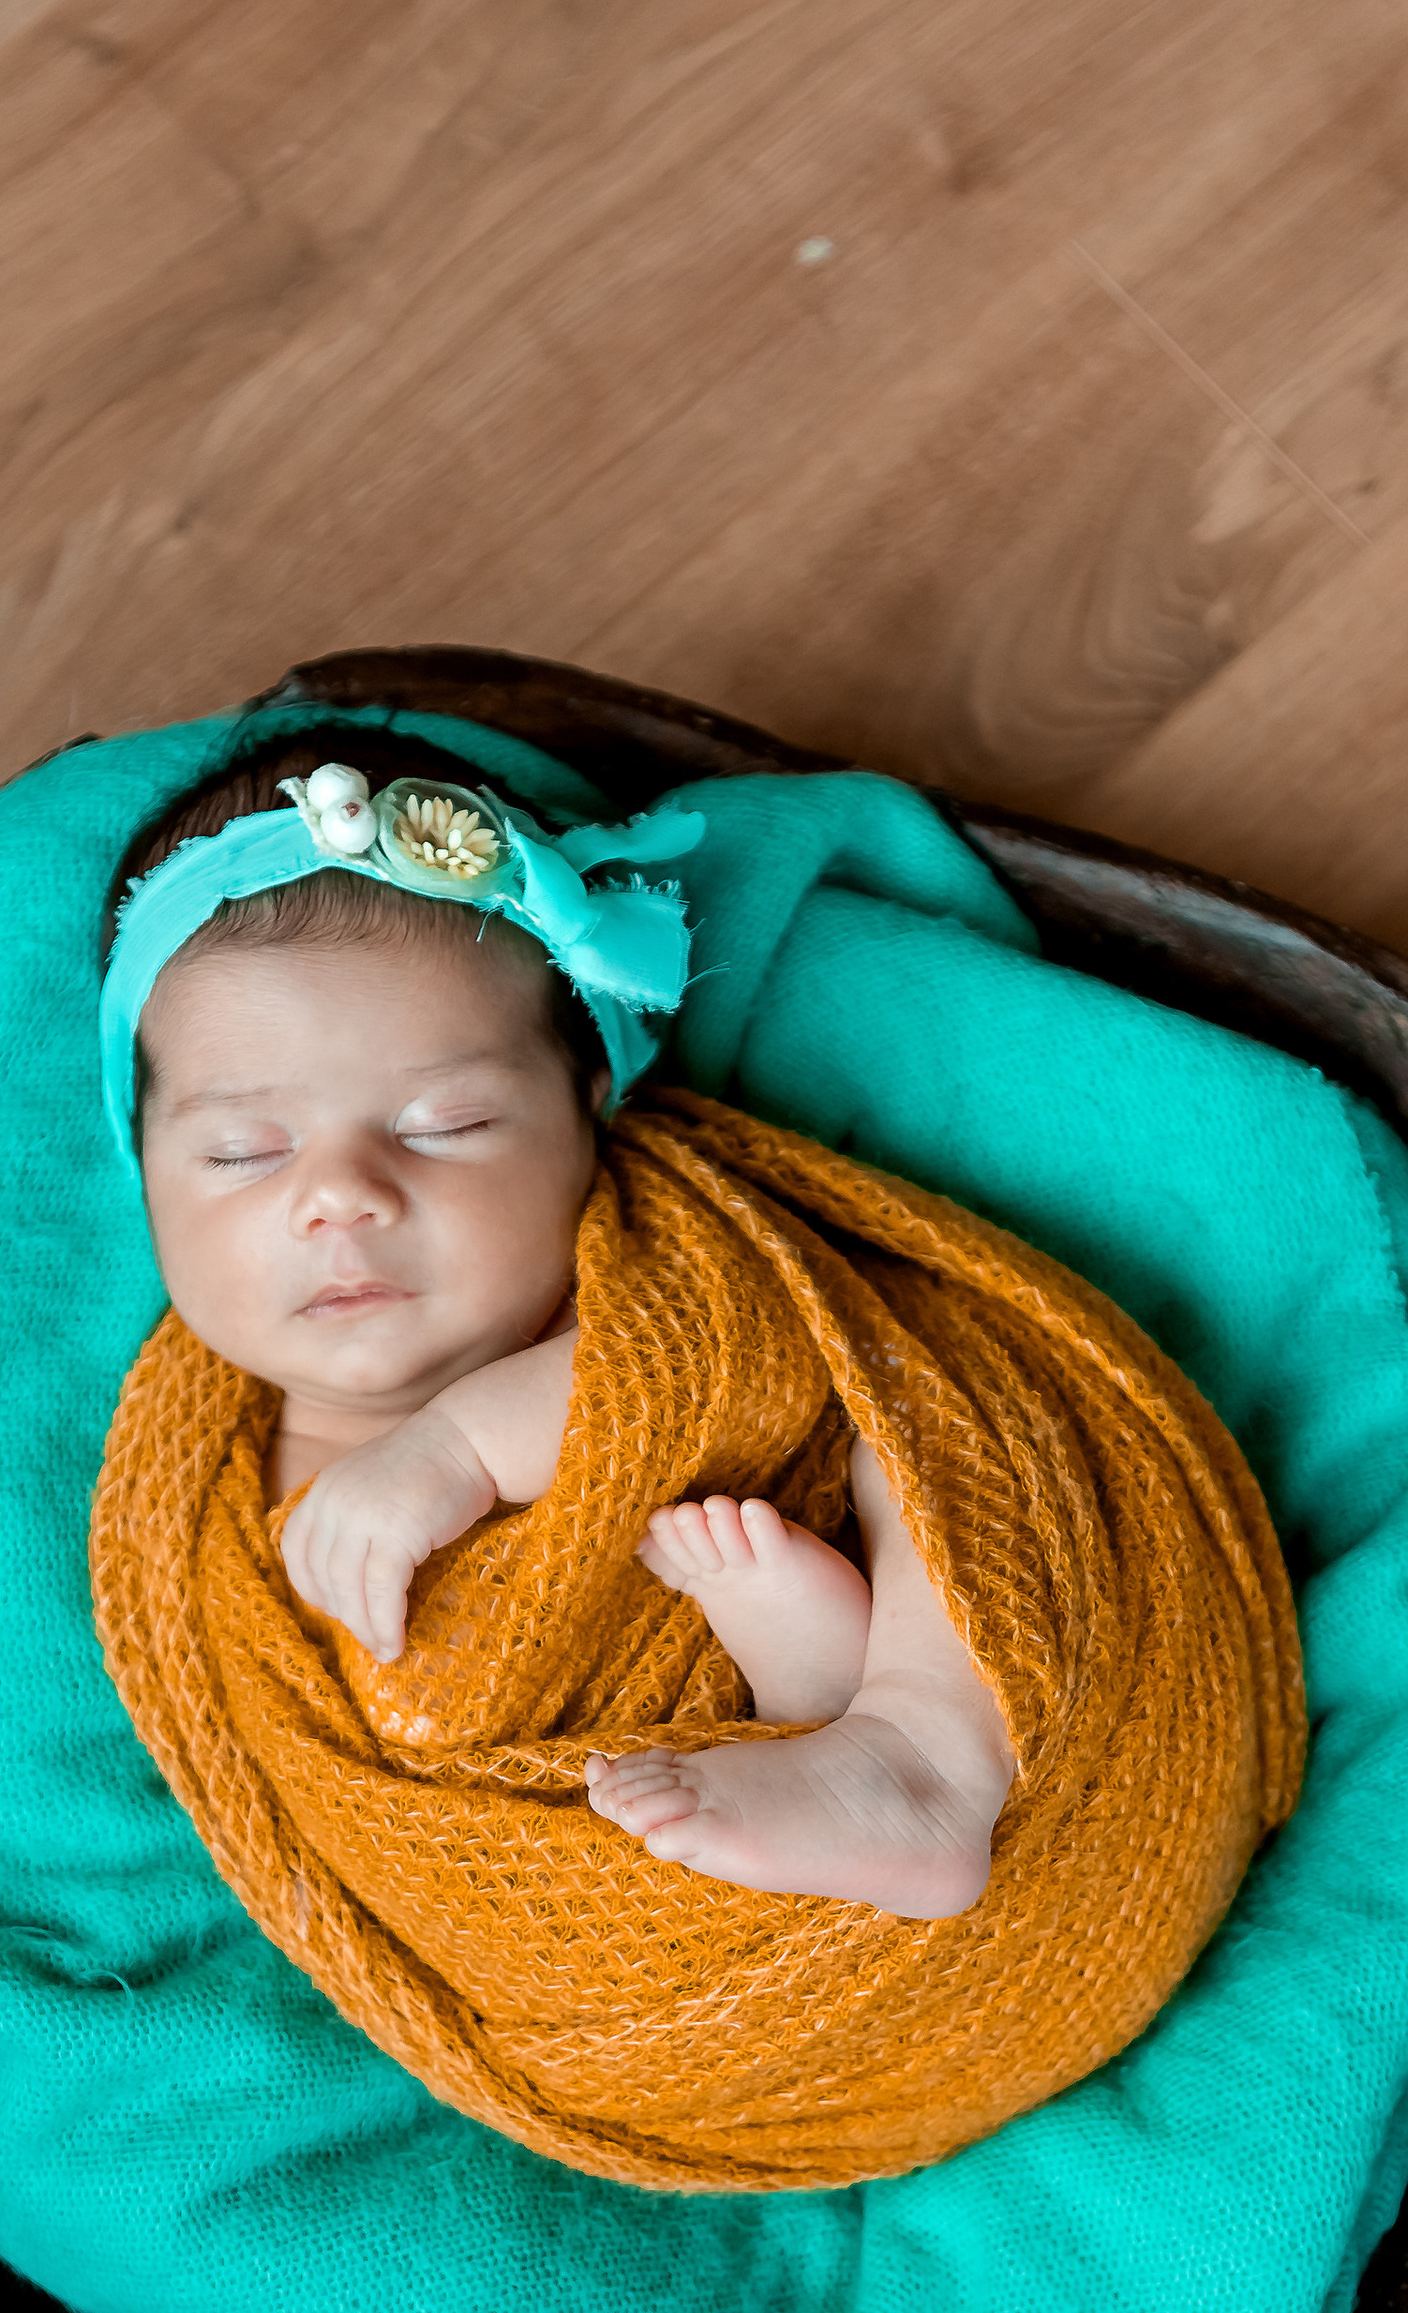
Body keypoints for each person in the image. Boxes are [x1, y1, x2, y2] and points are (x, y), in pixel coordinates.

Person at [121, 732, 1016, 1920]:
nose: (339, 1194)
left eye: (441, 1124)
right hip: (629, 1909)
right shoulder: (184, 1506)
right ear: (143, 1169)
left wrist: (455, 1448)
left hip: (925, 1725)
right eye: (244, 1151)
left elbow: (737, 1351)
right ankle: (802, 1688)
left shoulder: (651, 1254)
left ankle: (918, 1739)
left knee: (936, 1403)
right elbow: (313, 1791)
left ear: (588, 1105)